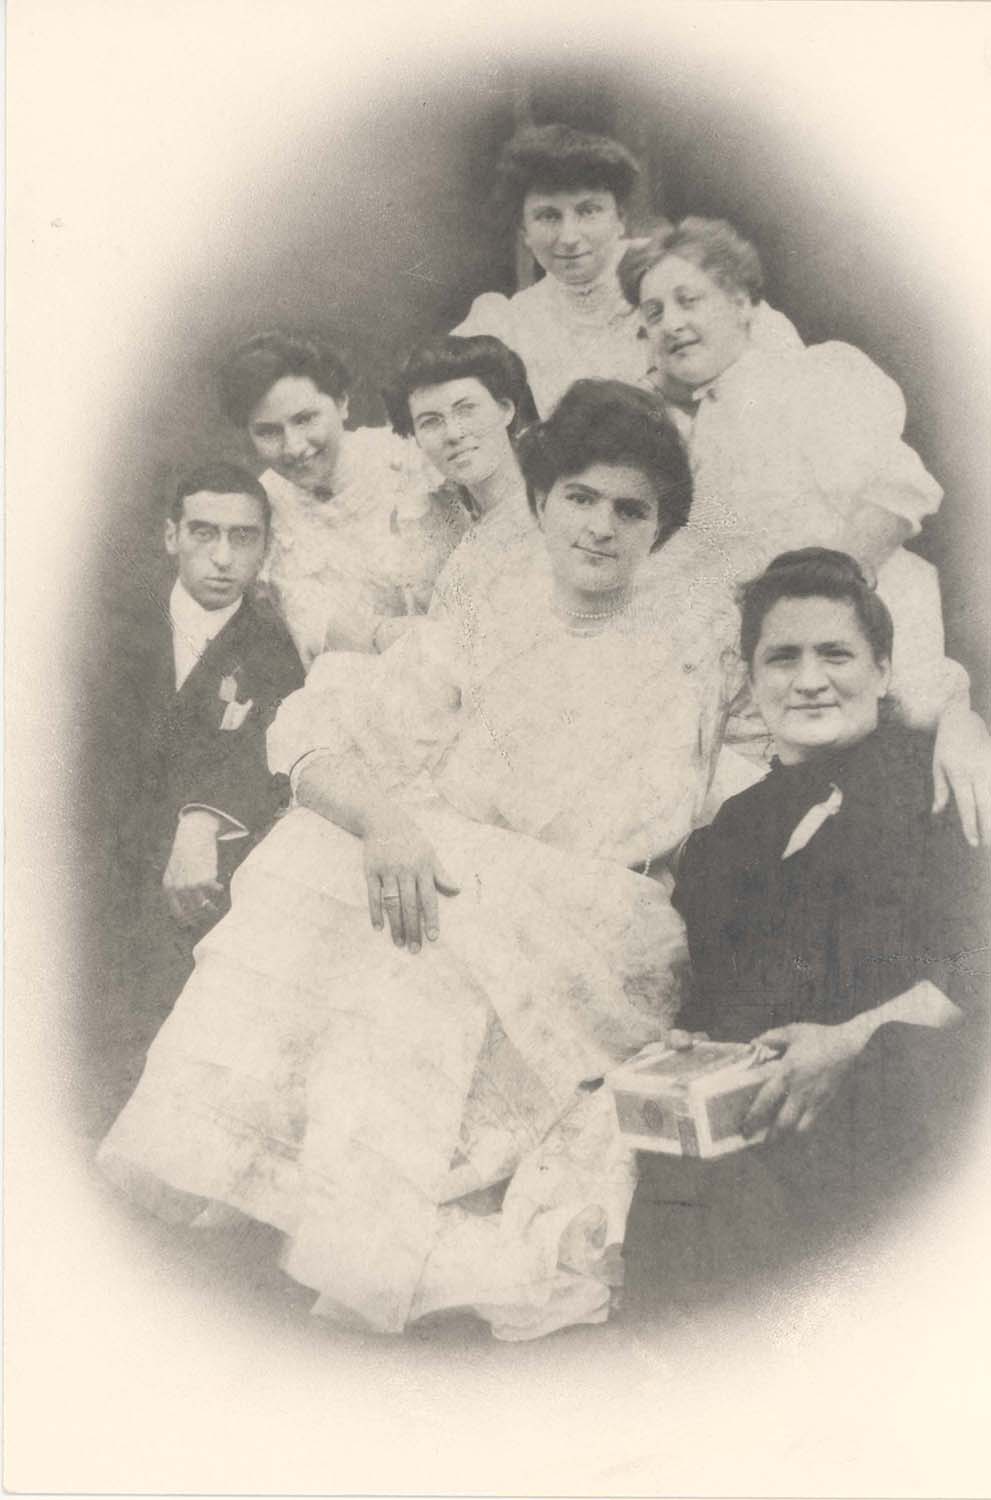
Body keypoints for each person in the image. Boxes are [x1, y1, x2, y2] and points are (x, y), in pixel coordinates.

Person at [98, 381, 738, 1341]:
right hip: (464, 871)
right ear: (541, 502)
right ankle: (262, 1184)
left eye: (629, 509)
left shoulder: (686, 662)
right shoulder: (480, 626)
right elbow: (315, 736)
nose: (599, 527)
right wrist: (388, 822)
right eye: (578, 498)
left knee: (419, 913)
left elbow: (637, 827)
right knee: (325, 851)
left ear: (659, 530)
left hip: (594, 922)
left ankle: (364, 1247)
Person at [625, 550, 989, 1310]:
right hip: (769, 1124)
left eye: (836, 654)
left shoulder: (940, 777)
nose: (809, 679)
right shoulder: (730, 832)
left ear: (885, 671)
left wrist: (851, 1037)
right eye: (781, 658)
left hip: (908, 1099)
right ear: (752, 683)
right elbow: (718, 995)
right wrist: (698, 1053)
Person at [619, 216, 990, 840]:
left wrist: (829, 600)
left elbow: (898, 493)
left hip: (863, 637)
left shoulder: (805, 380)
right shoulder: (689, 429)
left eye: (689, 300)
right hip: (772, 672)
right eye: (653, 312)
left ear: (741, 304)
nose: (671, 323)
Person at [94, 462, 304, 1115]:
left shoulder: (273, 648)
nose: (221, 557)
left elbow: (264, 752)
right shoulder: (106, 625)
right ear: (169, 536)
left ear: (264, 547)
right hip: (94, 845)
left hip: (203, 866)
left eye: (243, 538)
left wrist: (203, 819)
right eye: (204, 533)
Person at [454, 123, 800, 418]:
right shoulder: (509, 321)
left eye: (588, 211)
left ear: (620, 218)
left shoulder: (676, 275)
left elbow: (784, 363)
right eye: (548, 216)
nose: (569, 237)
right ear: (524, 233)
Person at [216, 331, 456, 666]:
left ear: (342, 403)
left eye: (305, 419)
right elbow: (316, 631)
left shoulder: (409, 456)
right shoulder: (261, 509)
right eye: (268, 432)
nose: (294, 447)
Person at [376, 333, 539, 653]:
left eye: (466, 409)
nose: (453, 433)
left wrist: (381, 634)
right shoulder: (449, 527)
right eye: (430, 422)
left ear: (505, 409)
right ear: (416, 437)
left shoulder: (556, 505)